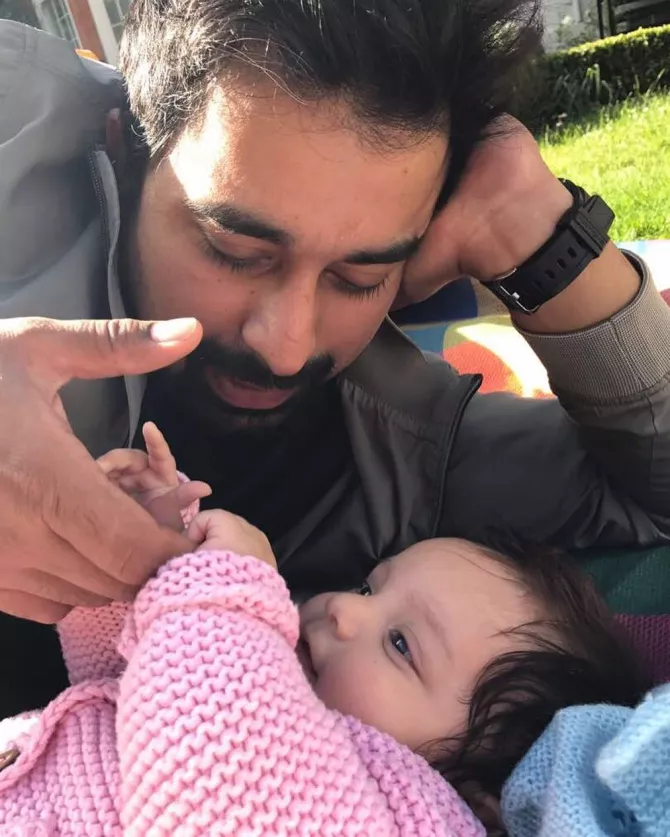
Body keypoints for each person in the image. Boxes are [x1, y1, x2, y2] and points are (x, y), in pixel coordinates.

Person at [1, 0, 670, 720]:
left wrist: (540, 232)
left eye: (359, 277)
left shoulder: (415, 450)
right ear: (126, 150)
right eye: (235, 252)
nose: (286, 346)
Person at [0, 427, 648, 835]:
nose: (344, 609)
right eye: (370, 586)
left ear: (480, 797)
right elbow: (132, 694)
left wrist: (221, 591)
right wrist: (143, 557)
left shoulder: (412, 814)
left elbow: (227, 795)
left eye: (400, 643)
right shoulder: (268, 679)